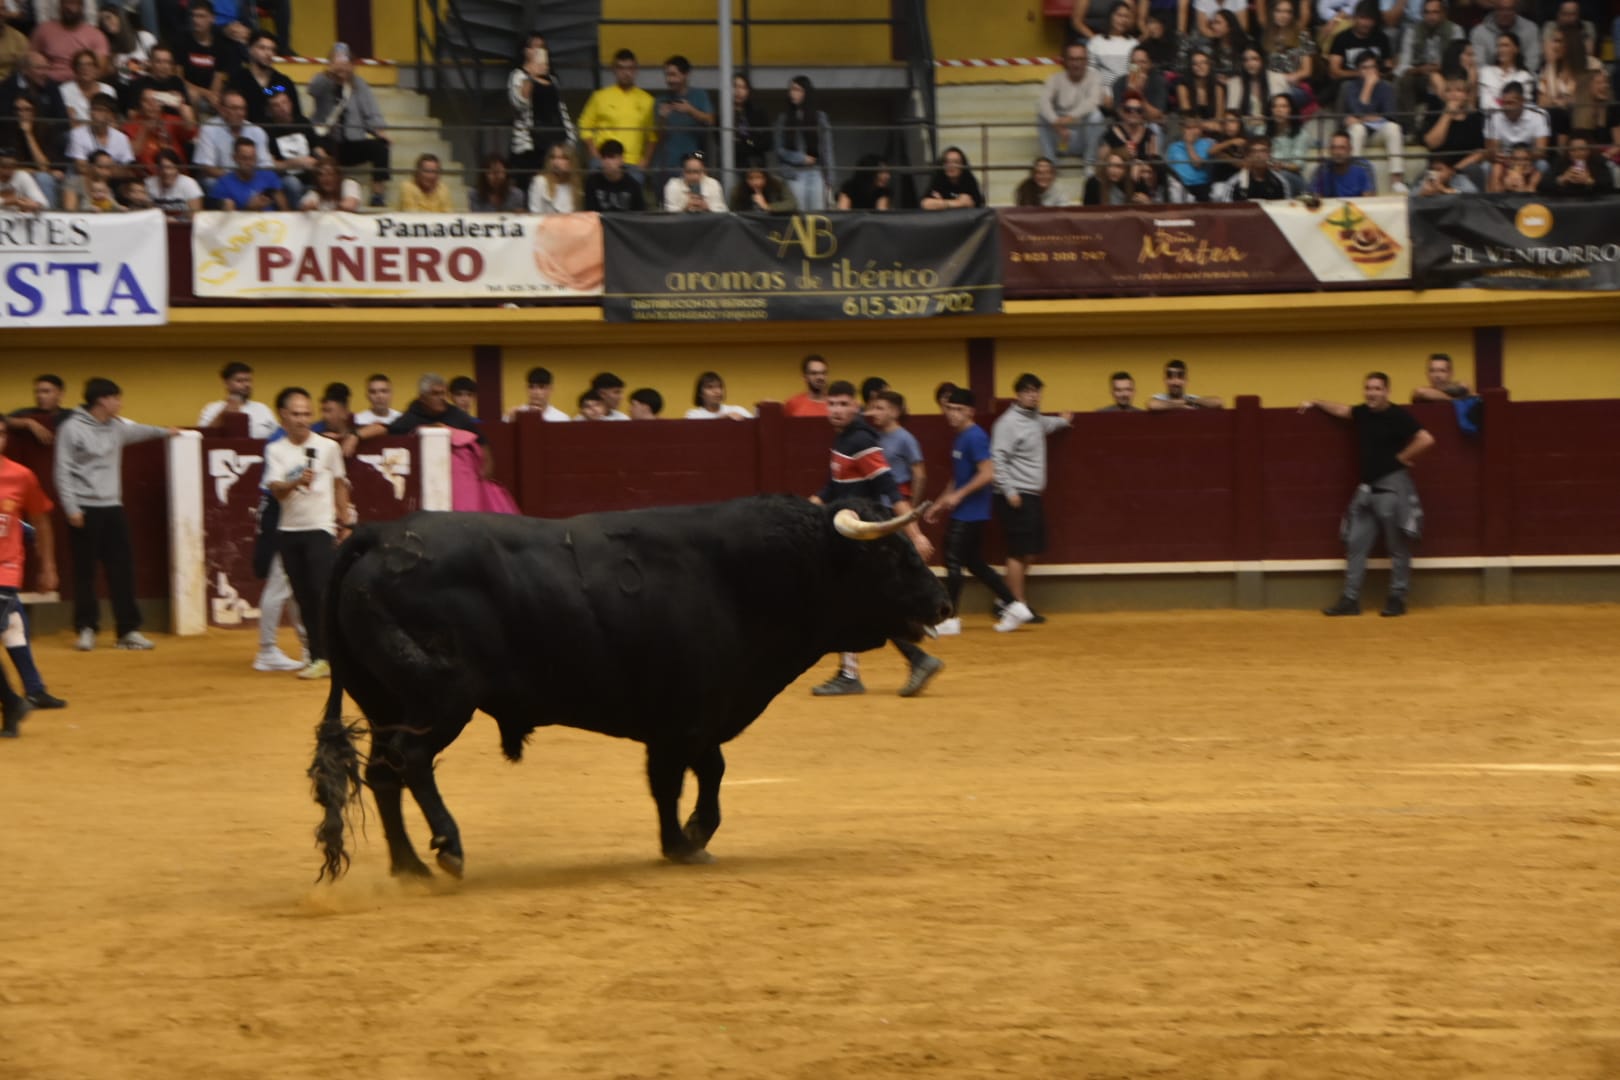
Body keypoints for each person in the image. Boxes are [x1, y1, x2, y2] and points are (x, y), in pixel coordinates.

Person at [808, 380, 940, 698]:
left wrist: (915, 532)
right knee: (864, 605)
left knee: (848, 604)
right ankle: (914, 658)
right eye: (832, 404)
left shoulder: (862, 440)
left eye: (843, 404)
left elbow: (889, 487)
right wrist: (808, 507)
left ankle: (855, 674)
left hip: (863, 535)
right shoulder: (844, 439)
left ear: (856, 407)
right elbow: (833, 487)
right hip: (851, 533)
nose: (837, 410)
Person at [54, 377, 178, 651]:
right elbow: (61, 471)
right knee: (85, 573)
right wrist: (71, 508)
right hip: (84, 509)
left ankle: (128, 630)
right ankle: (87, 628)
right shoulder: (71, 429)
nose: (120, 403)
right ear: (102, 400)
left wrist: (167, 432)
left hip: (113, 508)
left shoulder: (117, 428)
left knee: (122, 570)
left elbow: (141, 432)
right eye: (116, 398)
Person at [1303, 373, 1435, 617]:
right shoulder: (1362, 413)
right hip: (1366, 490)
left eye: (1377, 388)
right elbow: (1343, 411)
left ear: (1387, 391)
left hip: (1392, 489)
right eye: (1368, 388)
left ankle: (1397, 597)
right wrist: (1316, 402)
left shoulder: (1397, 415)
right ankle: (1350, 599)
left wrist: (1403, 457)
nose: (1372, 393)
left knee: (1398, 547)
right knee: (1355, 544)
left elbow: (1426, 439)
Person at [263, 386, 351, 680]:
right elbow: (276, 490)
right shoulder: (276, 450)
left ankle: (332, 655)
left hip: (320, 528)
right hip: (289, 530)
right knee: (303, 597)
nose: (302, 419)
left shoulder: (328, 447)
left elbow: (340, 484)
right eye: (296, 414)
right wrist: (296, 482)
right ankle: (317, 656)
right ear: (283, 416)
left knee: (322, 593)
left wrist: (346, 522)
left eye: (306, 414)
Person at [925, 388, 1029, 635]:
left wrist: (958, 496)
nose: (952, 414)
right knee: (974, 563)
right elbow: (959, 478)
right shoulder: (961, 437)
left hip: (970, 512)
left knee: (952, 560)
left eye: (959, 410)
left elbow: (988, 473)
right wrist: (940, 503)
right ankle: (1015, 606)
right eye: (949, 409)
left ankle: (950, 618)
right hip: (967, 511)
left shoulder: (974, 437)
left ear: (970, 412)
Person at [992, 374, 1072, 626]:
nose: (1033, 395)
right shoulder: (1007, 423)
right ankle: (1017, 605)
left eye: (1037, 391)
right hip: (1016, 495)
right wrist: (1010, 491)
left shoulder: (1035, 418)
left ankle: (1004, 601)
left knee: (1029, 552)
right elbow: (997, 459)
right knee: (1019, 552)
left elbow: (1046, 425)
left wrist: (1062, 421)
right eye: (1028, 391)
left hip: (1031, 495)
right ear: (1017, 395)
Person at [0, 422, 65, 733]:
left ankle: (16, 701)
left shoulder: (20, 476)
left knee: (13, 624)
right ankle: (24, 696)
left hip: (5, 569)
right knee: (13, 626)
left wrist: (48, 565)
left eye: (0, 433)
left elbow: (39, 521)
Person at [306, 43, 391, 207]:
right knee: (312, 143)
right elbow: (313, 90)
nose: (342, 68)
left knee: (381, 147)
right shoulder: (322, 81)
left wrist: (379, 131)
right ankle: (316, 192)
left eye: (346, 64)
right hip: (327, 140)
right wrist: (330, 74)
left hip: (352, 142)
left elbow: (371, 113)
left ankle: (378, 194)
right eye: (338, 63)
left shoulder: (359, 85)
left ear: (352, 65)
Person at [507, 37, 572, 192]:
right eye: (533, 47)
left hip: (556, 140)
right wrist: (531, 75)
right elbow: (519, 103)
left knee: (557, 187)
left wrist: (570, 136)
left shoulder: (553, 78)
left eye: (542, 47)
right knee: (531, 187)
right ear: (525, 51)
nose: (538, 50)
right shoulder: (518, 75)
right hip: (531, 144)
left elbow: (561, 108)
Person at [579, 48, 655, 177]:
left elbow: (653, 135)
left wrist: (646, 161)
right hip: (604, 161)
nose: (626, 73)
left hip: (633, 164)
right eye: (621, 68)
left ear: (636, 70)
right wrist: (596, 156)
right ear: (614, 69)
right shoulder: (600, 97)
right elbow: (584, 125)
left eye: (630, 68)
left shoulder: (648, 101)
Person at [1339, 52, 1408, 192]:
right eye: (1365, 68)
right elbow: (1356, 111)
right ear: (1358, 70)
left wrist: (1362, 117)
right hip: (1357, 132)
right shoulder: (1349, 87)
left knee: (1393, 128)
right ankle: (1354, 178)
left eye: (1373, 67)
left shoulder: (1386, 87)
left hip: (1378, 133)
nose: (1369, 72)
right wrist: (1368, 87)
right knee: (1357, 129)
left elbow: (1390, 115)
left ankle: (1396, 181)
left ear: (1378, 69)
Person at [1039, 41, 1106, 165]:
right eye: (1072, 59)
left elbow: (1093, 101)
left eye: (1080, 59)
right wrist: (1055, 122)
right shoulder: (1054, 78)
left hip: (1083, 136)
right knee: (1042, 115)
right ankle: (1050, 163)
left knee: (1096, 116)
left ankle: (1089, 162)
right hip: (1061, 135)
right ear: (1064, 61)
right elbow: (1044, 103)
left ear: (1086, 61)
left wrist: (1070, 117)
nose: (1076, 64)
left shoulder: (1095, 77)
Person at [774, 74, 832, 211]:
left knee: (817, 216)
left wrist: (829, 179)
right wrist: (801, 158)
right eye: (791, 90)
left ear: (806, 92)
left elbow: (827, 150)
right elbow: (779, 150)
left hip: (816, 173)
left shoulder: (820, 118)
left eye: (797, 89)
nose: (792, 93)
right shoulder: (783, 119)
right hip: (794, 174)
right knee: (798, 215)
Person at [1395, 0, 1463, 117]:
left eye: (1435, 12)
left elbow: (1459, 62)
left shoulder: (1455, 30)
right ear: (1422, 14)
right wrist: (1420, 70)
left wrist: (1438, 68)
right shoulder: (1412, 31)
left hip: (1446, 74)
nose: (1431, 16)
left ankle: (1449, 118)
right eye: (1427, 13)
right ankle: (1410, 129)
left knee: (1444, 78)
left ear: (1443, 13)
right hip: (1420, 76)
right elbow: (1403, 66)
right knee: (1404, 80)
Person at [651, 54, 713, 181]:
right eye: (667, 75)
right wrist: (662, 118)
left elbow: (711, 120)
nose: (670, 79)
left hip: (693, 162)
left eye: (673, 75)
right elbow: (658, 136)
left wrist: (691, 110)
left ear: (686, 75)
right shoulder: (660, 100)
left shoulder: (699, 96)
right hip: (665, 165)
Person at [191, 88, 270, 184]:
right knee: (210, 183)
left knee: (288, 182)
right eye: (234, 108)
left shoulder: (257, 132)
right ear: (222, 110)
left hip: (252, 181)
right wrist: (236, 181)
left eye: (242, 108)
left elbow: (265, 165)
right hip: (222, 180)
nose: (240, 113)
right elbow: (207, 167)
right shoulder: (209, 129)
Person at [1483, 84, 1549, 185]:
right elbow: (1492, 152)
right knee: (1486, 166)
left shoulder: (1538, 116)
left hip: (1529, 159)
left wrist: (1522, 159)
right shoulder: (1494, 117)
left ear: (1522, 102)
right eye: (1504, 103)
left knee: (1542, 165)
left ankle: (1534, 193)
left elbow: (1541, 151)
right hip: (1505, 161)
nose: (1506, 107)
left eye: (1511, 103)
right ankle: (1492, 198)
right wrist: (1506, 159)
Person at [230, 29, 299, 125]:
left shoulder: (284, 82)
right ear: (250, 49)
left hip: (279, 134)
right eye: (262, 48)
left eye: (272, 50)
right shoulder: (238, 79)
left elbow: (296, 115)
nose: (268, 53)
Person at [29, 0, 104, 84]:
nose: (70, 8)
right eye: (66, 3)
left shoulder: (95, 34)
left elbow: (101, 68)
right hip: (49, 84)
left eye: (74, 3)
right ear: (60, 6)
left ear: (82, 7)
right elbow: (30, 59)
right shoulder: (43, 30)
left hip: (82, 84)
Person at [198, 361, 277, 437]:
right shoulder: (212, 408)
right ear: (227, 383)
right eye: (240, 381)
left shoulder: (262, 408)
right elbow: (203, 437)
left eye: (248, 380)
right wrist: (223, 414)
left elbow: (279, 436)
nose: (246, 385)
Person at [1469, 0, 1540, 79]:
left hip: (1522, 82)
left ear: (1516, 10)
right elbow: (1479, 66)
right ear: (1494, 10)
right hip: (1489, 83)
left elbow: (1532, 64)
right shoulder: (1479, 32)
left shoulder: (1530, 29)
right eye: (1501, 9)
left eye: (1510, 9)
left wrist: (1515, 80)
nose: (1505, 13)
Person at [212, 133, 286, 210]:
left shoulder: (269, 176)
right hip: (244, 221)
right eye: (244, 158)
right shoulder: (224, 183)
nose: (249, 163)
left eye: (252, 158)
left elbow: (285, 211)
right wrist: (249, 208)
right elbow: (229, 220)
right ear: (235, 158)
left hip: (272, 221)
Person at [582, 138, 646, 212]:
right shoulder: (592, 182)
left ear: (622, 159)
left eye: (612, 157)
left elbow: (639, 215)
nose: (607, 161)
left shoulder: (633, 185)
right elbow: (590, 213)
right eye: (604, 157)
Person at [6, 374, 74, 443]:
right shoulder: (25, 413)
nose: (40, 396)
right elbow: (3, 420)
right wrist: (28, 423)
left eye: (46, 391)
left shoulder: (70, 415)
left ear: (60, 394)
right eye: (37, 392)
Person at [1310, 130, 1378, 196]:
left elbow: (1368, 200)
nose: (1337, 152)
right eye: (1334, 148)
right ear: (1329, 150)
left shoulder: (1364, 167)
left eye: (1342, 148)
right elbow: (1315, 200)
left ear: (1350, 149)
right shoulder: (1322, 170)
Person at [1543, 135, 1612, 196]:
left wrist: (1590, 181)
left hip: (1592, 202)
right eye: (1573, 150)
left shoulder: (1598, 162)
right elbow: (1543, 185)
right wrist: (1561, 179)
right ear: (1568, 152)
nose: (1577, 153)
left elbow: (1609, 186)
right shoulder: (1560, 162)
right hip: (1566, 201)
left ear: (1588, 150)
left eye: (1581, 149)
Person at [1167, 113, 1215, 200]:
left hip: (1200, 186)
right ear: (1182, 130)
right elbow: (1169, 170)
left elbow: (1197, 164)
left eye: (1194, 128)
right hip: (1179, 187)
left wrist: (1189, 144)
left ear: (1200, 130)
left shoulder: (1207, 144)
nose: (1191, 131)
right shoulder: (1174, 147)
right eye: (1188, 128)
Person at [920, 146, 984, 209]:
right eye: (947, 162)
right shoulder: (939, 178)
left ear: (963, 165)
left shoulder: (969, 180)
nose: (951, 165)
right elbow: (925, 204)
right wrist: (957, 203)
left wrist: (941, 203)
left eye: (956, 162)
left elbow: (977, 205)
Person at [729, 72, 771, 166]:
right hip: (731, 164)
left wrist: (747, 141)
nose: (738, 91)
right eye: (735, 86)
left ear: (748, 90)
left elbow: (767, 143)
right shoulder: (724, 113)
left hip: (755, 165)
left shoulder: (758, 113)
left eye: (742, 87)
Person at [529, 141, 582, 214]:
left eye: (562, 158)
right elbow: (534, 212)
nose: (556, 162)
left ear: (571, 161)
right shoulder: (540, 182)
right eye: (553, 157)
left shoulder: (576, 186)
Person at [1149, 358, 1224, 409]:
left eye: (1180, 377)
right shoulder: (1160, 398)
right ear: (1165, 380)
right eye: (1170, 377)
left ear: (1186, 380)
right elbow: (1152, 405)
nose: (1175, 382)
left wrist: (1190, 401)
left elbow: (1218, 402)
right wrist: (1182, 404)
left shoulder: (1191, 399)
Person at [504, 367, 570, 422]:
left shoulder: (562, 418)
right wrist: (511, 423)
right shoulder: (514, 416)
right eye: (531, 387)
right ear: (526, 388)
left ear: (551, 389)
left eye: (541, 387)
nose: (536, 392)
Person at [683, 371, 753, 420]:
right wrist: (722, 421)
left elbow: (755, 425)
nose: (717, 391)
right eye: (710, 387)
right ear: (700, 393)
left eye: (720, 387)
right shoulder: (693, 415)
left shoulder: (737, 410)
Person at [729, 164, 795, 212]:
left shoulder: (778, 185)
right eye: (750, 178)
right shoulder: (739, 190)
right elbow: (733, 212)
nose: (755, 182)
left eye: (758, 177)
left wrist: (768, 206)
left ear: (765, 177)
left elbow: (792, 204)